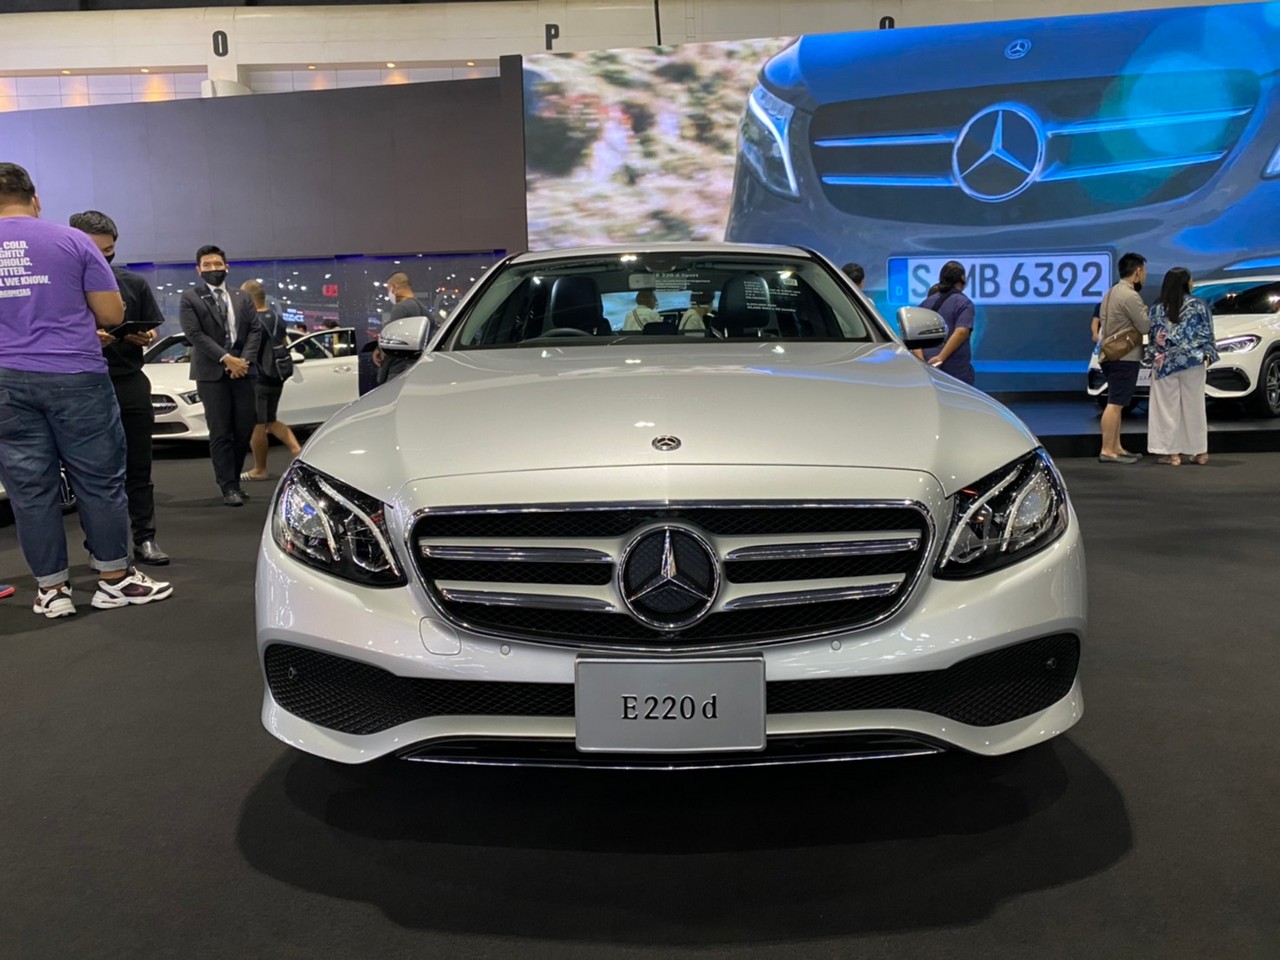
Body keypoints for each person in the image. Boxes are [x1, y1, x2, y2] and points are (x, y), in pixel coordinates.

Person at [0, 162, 171, 616]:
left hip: (5, 381)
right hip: (75, 375)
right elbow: (112, 315)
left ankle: (51, 591)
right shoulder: (72, 241)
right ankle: (114, 580)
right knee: (99, 481)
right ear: (35, 199)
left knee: (30, 491)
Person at [69, 210, 169, 566]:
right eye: (96, 251)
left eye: (109, 251)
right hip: (83, 384)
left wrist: (147, 334)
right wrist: (88, 337)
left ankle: (145, 538)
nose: (103, 258)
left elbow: (152, 326)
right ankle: (100, 547)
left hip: (130, 381)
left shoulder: (132, 283)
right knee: (92, 472)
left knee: (139, 467)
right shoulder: (63, 284)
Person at [178, 245, 261, 506]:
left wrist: (243, 361)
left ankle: (233, 478)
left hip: (243, 371)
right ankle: (228, 486)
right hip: (211, 372)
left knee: (244, 428)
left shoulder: (242, 297)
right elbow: (195, 334)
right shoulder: (190, 298)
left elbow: (255, 330)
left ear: (227, 266)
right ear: (198, 269)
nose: (213, 269)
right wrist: (226, 359)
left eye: (217, 264)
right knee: (221, 431)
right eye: (207, 265)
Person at [1145, 267, 1218, 466]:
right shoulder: (1199, 305)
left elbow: (1153, 337)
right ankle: (1200, 452)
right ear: (1186, 283)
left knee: (1166, 408)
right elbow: (1208, 333)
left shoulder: (1157, 308)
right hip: (1193, 362)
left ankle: (1171, 454)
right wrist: (1206, 355)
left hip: (1165, 363)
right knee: (1195, 406)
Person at [239, 279, 302, 481]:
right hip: (277, 375)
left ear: (248, 299)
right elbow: (282, 343)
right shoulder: (277, 318)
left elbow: (247, 350)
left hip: (260, 376)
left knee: (258, 423)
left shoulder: (252, 322)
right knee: (270, 420)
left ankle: (260, 469)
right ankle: (297, 449)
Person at [1097, 252, 1151, 464]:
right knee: (1115, 403)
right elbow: (1144, 326)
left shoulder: (1110, 292)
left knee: (1118, 402)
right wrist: (1145, 312)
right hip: (1124, 356)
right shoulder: (1130, 295)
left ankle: (1116, 446)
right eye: (1144, 271)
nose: (1144, 275)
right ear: (1137, 271)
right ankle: (1107, 449)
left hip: (1110, 354)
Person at [917, 260, 976, 384]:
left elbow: (914, 337)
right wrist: (940, 358)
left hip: (927, 370)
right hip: (955, 371)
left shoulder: (925, 303)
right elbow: (961, 332)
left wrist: (921, 361)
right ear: (962, 279)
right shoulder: (964, 303)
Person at [373, 271, 432, 385]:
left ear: (394, 287)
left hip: (399, 367)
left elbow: (391, 337)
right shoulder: (423, 309)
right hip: (419, 365)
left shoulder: (400, 308)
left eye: (388, 289)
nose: (388, 293)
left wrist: (379, 349)